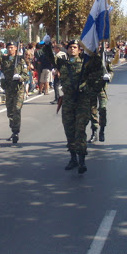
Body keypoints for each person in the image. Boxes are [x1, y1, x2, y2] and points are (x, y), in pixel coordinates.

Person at [44, 37, 91, 174]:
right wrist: (47, 45)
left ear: (79, 49)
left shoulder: (84, 63)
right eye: (70, 47)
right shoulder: (62, 63)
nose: (72, 49)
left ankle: (82, 160)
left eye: (75, 47)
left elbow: (93, 77)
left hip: (82, 101)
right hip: (68, 101)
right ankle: (73, 158)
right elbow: (50, 58)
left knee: (80, 130)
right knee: (69, 130)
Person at [0, 40, 28, 144]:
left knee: (16, 109)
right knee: (10, 112)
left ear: (16, 48)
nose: (10, 49)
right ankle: (13, 129)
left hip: (18, 89)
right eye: (8, 48)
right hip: (8, 89)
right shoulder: (5, 59)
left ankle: (16, 131)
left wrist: (20, 77)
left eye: (12, 47)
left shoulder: (21, 60)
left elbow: (25, 75)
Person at [87, 50, 113, 143]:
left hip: (101, 88)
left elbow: (110, 71)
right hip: (91, 88)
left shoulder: (104, 58)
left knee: (102, 109)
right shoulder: (87, 59)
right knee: (92, 111)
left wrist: (109, 76)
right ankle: (94, 133)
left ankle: (102, 131)